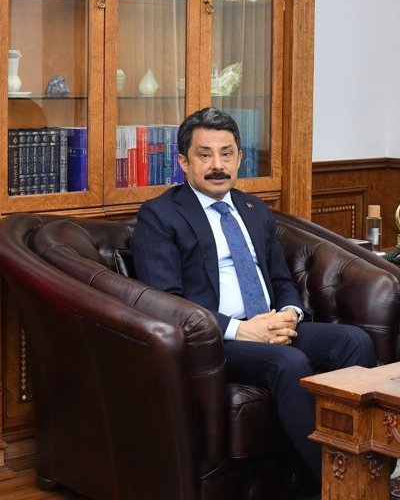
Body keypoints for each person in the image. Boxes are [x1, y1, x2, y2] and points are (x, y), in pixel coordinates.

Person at [130, 107, 376, 479]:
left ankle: (363, 462)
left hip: (270, 325)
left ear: (239, 158)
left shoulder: (253, 209)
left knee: (354, 342)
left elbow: (281, 280)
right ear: (184, 162)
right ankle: (335, 481)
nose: (217, 165)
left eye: (226, 153)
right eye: (205, 154)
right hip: (215, 339)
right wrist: (241, 330)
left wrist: (289, 315)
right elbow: (165, 301)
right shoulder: (160, 216)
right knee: (289, 363)